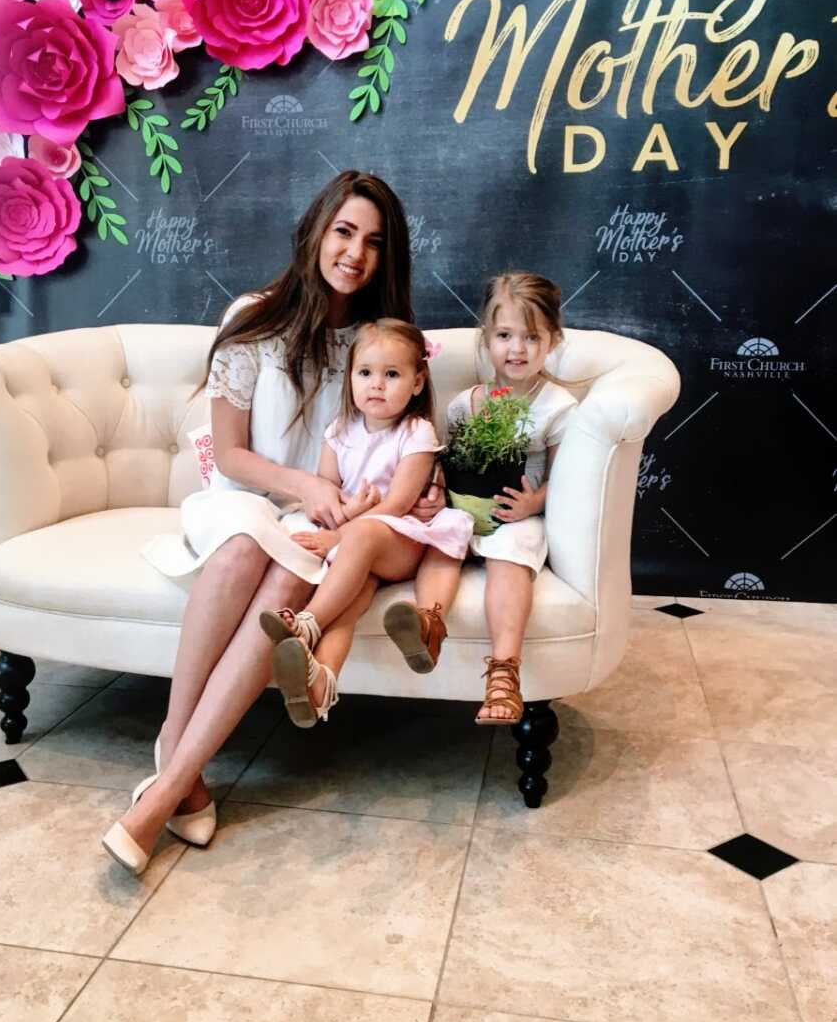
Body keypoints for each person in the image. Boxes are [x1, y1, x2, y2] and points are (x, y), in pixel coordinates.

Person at [101, 171, 440, 876]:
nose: (355, 253)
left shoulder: (386, 344)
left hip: (327, 524)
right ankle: (178, 760)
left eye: (375, 242)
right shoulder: (254, 319)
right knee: (236, 558)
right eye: (344, 231)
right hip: (244, 498)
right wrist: (305, 483)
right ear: (316, 230)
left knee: (288, 575)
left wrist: (426, 488)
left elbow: (409, 440)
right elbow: (229, 454)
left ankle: (164, 792)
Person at [382, 272, 578, 726]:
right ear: (486, 338)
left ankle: (504, 675)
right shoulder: (465, 405)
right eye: (505, 335)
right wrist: (434, 497)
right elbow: (446, 468)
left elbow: (567, 479)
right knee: (441, 538)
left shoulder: (557, 406)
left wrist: (535, 504)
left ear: (553, 340)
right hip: (464, 511)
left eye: (532, 337)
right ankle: (428, 625)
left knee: (511, 553)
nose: (517, 349)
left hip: (515, 516)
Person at [257, 319, 473, 728]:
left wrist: (344, 529)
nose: (376, 384)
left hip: (400, 542)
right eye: (366, 373)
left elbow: (397, 504)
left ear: (417, 382)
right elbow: (328, 492)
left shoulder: (416, 432)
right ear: (351, 377)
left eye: (391, 374)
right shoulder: (338, 431)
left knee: (365, 535)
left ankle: (307, 623)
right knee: (350, 605)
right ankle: (321, 683)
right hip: (357, 547)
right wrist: (346, 515)